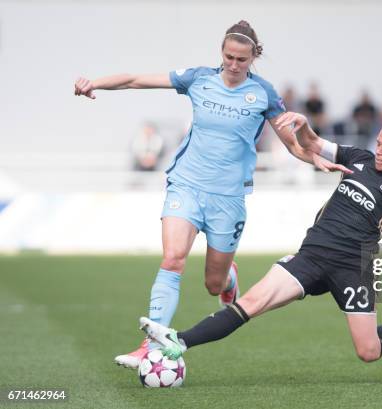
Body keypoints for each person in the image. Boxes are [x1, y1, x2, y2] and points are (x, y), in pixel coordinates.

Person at [74, 20, 348, 369]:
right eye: (229, 57)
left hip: (228, 199)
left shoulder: (263, 93)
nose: (234, 65)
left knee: (212, 282)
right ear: (221, 52)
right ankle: (150, 345)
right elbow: (136, 80)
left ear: (253, 58)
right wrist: (92, 83)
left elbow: (293, 145)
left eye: (241, 60)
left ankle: (228, 279)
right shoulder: (198, 78)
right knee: (173, 258)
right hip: (186, 184)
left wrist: (317, 161)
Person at [139, 112, 382, 363]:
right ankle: (179, 340)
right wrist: (304, 124)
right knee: (251, 303)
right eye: (378, 143)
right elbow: (312, 143)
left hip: (352, 267)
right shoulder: (357, 158)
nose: (379, 150)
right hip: (312, 255)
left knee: (368, 352)